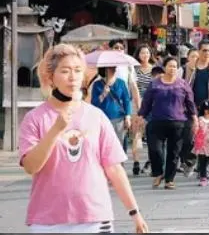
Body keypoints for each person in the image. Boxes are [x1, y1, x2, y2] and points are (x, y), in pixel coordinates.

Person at [19, 44, 148, 233]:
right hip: (48, 220)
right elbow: (31, 166)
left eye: (78, 70)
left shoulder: (96, 116)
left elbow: (114, 168)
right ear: (50, 77)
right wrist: (55, 130)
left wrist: (135, 213)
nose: (72, 77)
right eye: (65, 71)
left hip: (95, 216)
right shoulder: (35, 118)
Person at [137, 56, 197, 190]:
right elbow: (146, 102)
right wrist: (141, 116)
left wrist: (194, 118)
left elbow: (190, 102)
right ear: (164, 68)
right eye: (170, 66)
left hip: (178, 123)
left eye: (175, 66)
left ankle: (169, 179)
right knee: (155, 149)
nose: (172, 68)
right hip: (156, 121)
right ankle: (158, 173)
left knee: (174, 152)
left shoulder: (182, 84)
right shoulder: (155, 83)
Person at [182, 40, 209, 175]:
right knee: (190, 136)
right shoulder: (189, 67)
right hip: (191, 106)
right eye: (204, 50)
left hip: (208, 108)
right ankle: (191, 161)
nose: (207, 53)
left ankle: (202, 168)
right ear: (199, 51)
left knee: (206, 137)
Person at [91, 66, 132, 149]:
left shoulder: (121, 83)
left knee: (119, 145)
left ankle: (120, 162)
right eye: (110, 67)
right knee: (104, 145)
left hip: (118, 118)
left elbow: (126, 100)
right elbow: (94, 103)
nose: (114, 69)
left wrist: (128, 116)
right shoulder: (97, 84)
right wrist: (103, 94)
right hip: (102, 119)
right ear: (104, 69)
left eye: (114, 67)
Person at [131, 44, 154, 176]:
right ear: (138, 55)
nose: (145, 55)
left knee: (151, 135)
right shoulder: (133, 69)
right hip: (136, 104)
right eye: (142, 53)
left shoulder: (155, 70)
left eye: (147, 53)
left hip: (151, 105)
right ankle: (136, 162)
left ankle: (150, 161)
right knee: (136, 134)